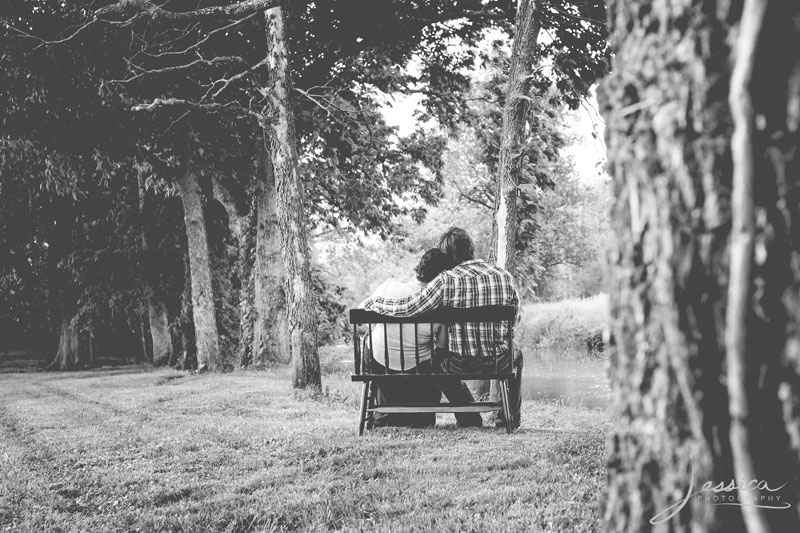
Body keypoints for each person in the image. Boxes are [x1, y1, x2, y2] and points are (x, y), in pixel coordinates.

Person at [362, 227, 523, 429]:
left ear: (450, 256)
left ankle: (468, 419)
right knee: (516, 356)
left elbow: (409, 308)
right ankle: (508, 420)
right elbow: (515, 318)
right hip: (498, 361)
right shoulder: (503, 275)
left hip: (459, 362)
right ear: (471, 249)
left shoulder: (445, 280)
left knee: (440, 360)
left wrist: (374, 303)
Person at [359, 248, 453, 428]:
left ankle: (377, 413)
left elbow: (366, 318)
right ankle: (421, 414)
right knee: (434, 359)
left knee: (369, 339)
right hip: (416, 368)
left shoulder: (389, 286)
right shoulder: (438, 305)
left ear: (419, 268)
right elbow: (441, 347)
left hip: (378, 362)